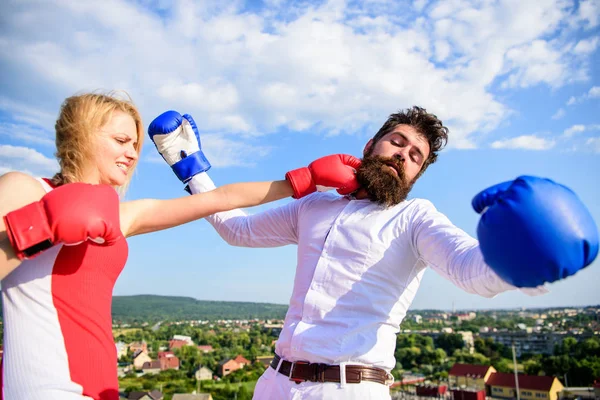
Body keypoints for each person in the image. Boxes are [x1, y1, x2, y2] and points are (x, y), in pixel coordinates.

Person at [149, 107, 598, 400]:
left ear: (415, 176)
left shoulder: (415, 218)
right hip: (274, 382)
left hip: (349, 388)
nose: (404, 155)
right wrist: (188, 165)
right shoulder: (314, 205)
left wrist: (523, 256)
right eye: (397, 142)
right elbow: (238, 230)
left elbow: (469, 269)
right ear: (369, 147)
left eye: (416, 156)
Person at [0, 93, 362, 400]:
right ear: (81, 135)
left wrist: (306, 179)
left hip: (101, 386)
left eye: (136, 145)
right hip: (38, 384)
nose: (131, 154)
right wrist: (40, 226)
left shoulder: (119, 215)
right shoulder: (26, 188)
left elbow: (220, 199)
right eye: (120, 141)